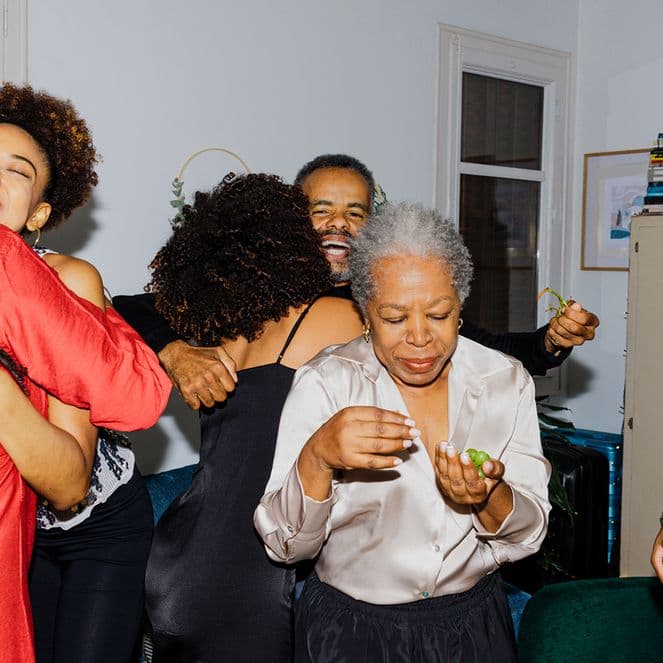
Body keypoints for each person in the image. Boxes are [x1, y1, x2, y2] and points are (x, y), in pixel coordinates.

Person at [255, 202, 551, 663]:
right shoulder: (329, 383)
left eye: (438, 314)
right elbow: (286, 545)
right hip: (352, 633)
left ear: (460, 307)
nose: (419, 337)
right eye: (394, 318)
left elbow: (528, 536)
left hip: (473, 629)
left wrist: (489, 496)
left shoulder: (504, 380)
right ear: (366, 314)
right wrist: (317, 457)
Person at [114, 154, 600, 409]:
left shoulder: (386, 303)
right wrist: (175, 352)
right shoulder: (248, 291)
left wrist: (551, 341)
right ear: (290, 218)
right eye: (320, 211)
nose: (338, 224)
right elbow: (126, 307)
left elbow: (490, 349)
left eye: (355, 213)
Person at [144, 173, 363, 662]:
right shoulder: (337, 319)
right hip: (263, 569)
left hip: (179, 559)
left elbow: (118, 309)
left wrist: (173, 350)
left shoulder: (214, 330)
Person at [0, 82, 172, 663]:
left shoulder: (67, 282)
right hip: (18, 530)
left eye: (17, 171)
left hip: (94, 525)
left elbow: (70, 481)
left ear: (39, 213)